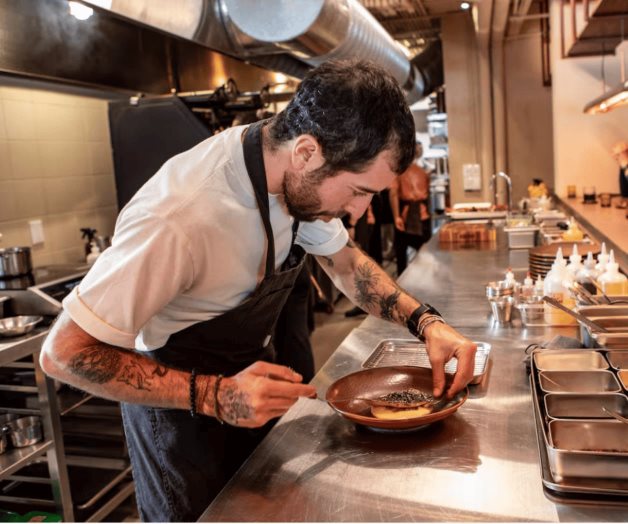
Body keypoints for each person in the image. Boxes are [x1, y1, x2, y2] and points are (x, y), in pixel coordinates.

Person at [40, 59, 477, 522]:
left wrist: (424, 322)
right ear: (307, 152)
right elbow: (64, 353)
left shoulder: (290, 174)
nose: (357, 210)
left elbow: (346, 263)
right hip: (179, 419)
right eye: (357, 191)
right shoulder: (180, 215)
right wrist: (215, 395)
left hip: (248, 388)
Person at [389, 143, 432, 276]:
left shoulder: (399, 173)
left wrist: (396, 216)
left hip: (406, 216)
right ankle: (426, 276)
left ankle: (403, 280)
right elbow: (428, 195)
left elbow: (393, 193)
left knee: (401, 253)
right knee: (424, 251)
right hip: (423, 215)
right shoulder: (423, 172)